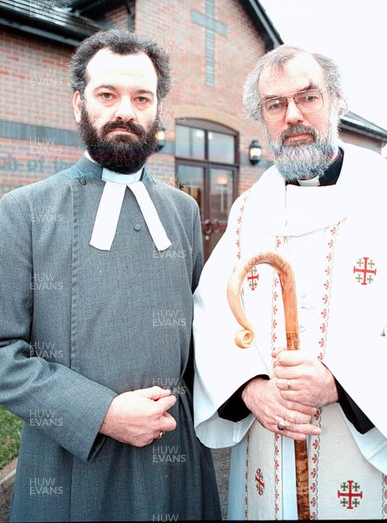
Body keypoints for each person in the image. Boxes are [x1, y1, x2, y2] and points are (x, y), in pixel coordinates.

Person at [0, 28, 221, 522]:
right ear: (79, 104)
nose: (126, 111)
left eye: (142, 97)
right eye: (107, 95)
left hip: (175, 454)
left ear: (157, 109)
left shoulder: (183, 210)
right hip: (71, 462)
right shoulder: (21, 212)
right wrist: (101, 414)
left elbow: (202, 332)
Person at [193, 45, 387, 520]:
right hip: (268, 447)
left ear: (336, 101)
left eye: (308, 97)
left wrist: (342, 383)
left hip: (359, 447)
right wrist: (250, 387)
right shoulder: (246, 212)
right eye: (275, 104)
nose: (293, 115)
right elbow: (211, 315)